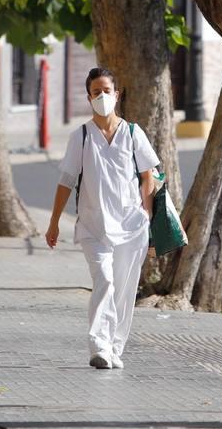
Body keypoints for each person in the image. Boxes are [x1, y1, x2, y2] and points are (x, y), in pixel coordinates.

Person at [46, 67, 160, 370]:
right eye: (96, 92)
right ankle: (98, 346)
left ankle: (115, 347)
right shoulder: (81, 137)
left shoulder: (134, 133)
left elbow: (149, 177)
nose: (102, 96)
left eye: (107, 91)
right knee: (105, 281)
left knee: (124, 290)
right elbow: (66, 181)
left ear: (117, 94)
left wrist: (146, 214)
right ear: (89, 97)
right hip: (94, 227)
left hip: (132, 227)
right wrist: (54, 221)